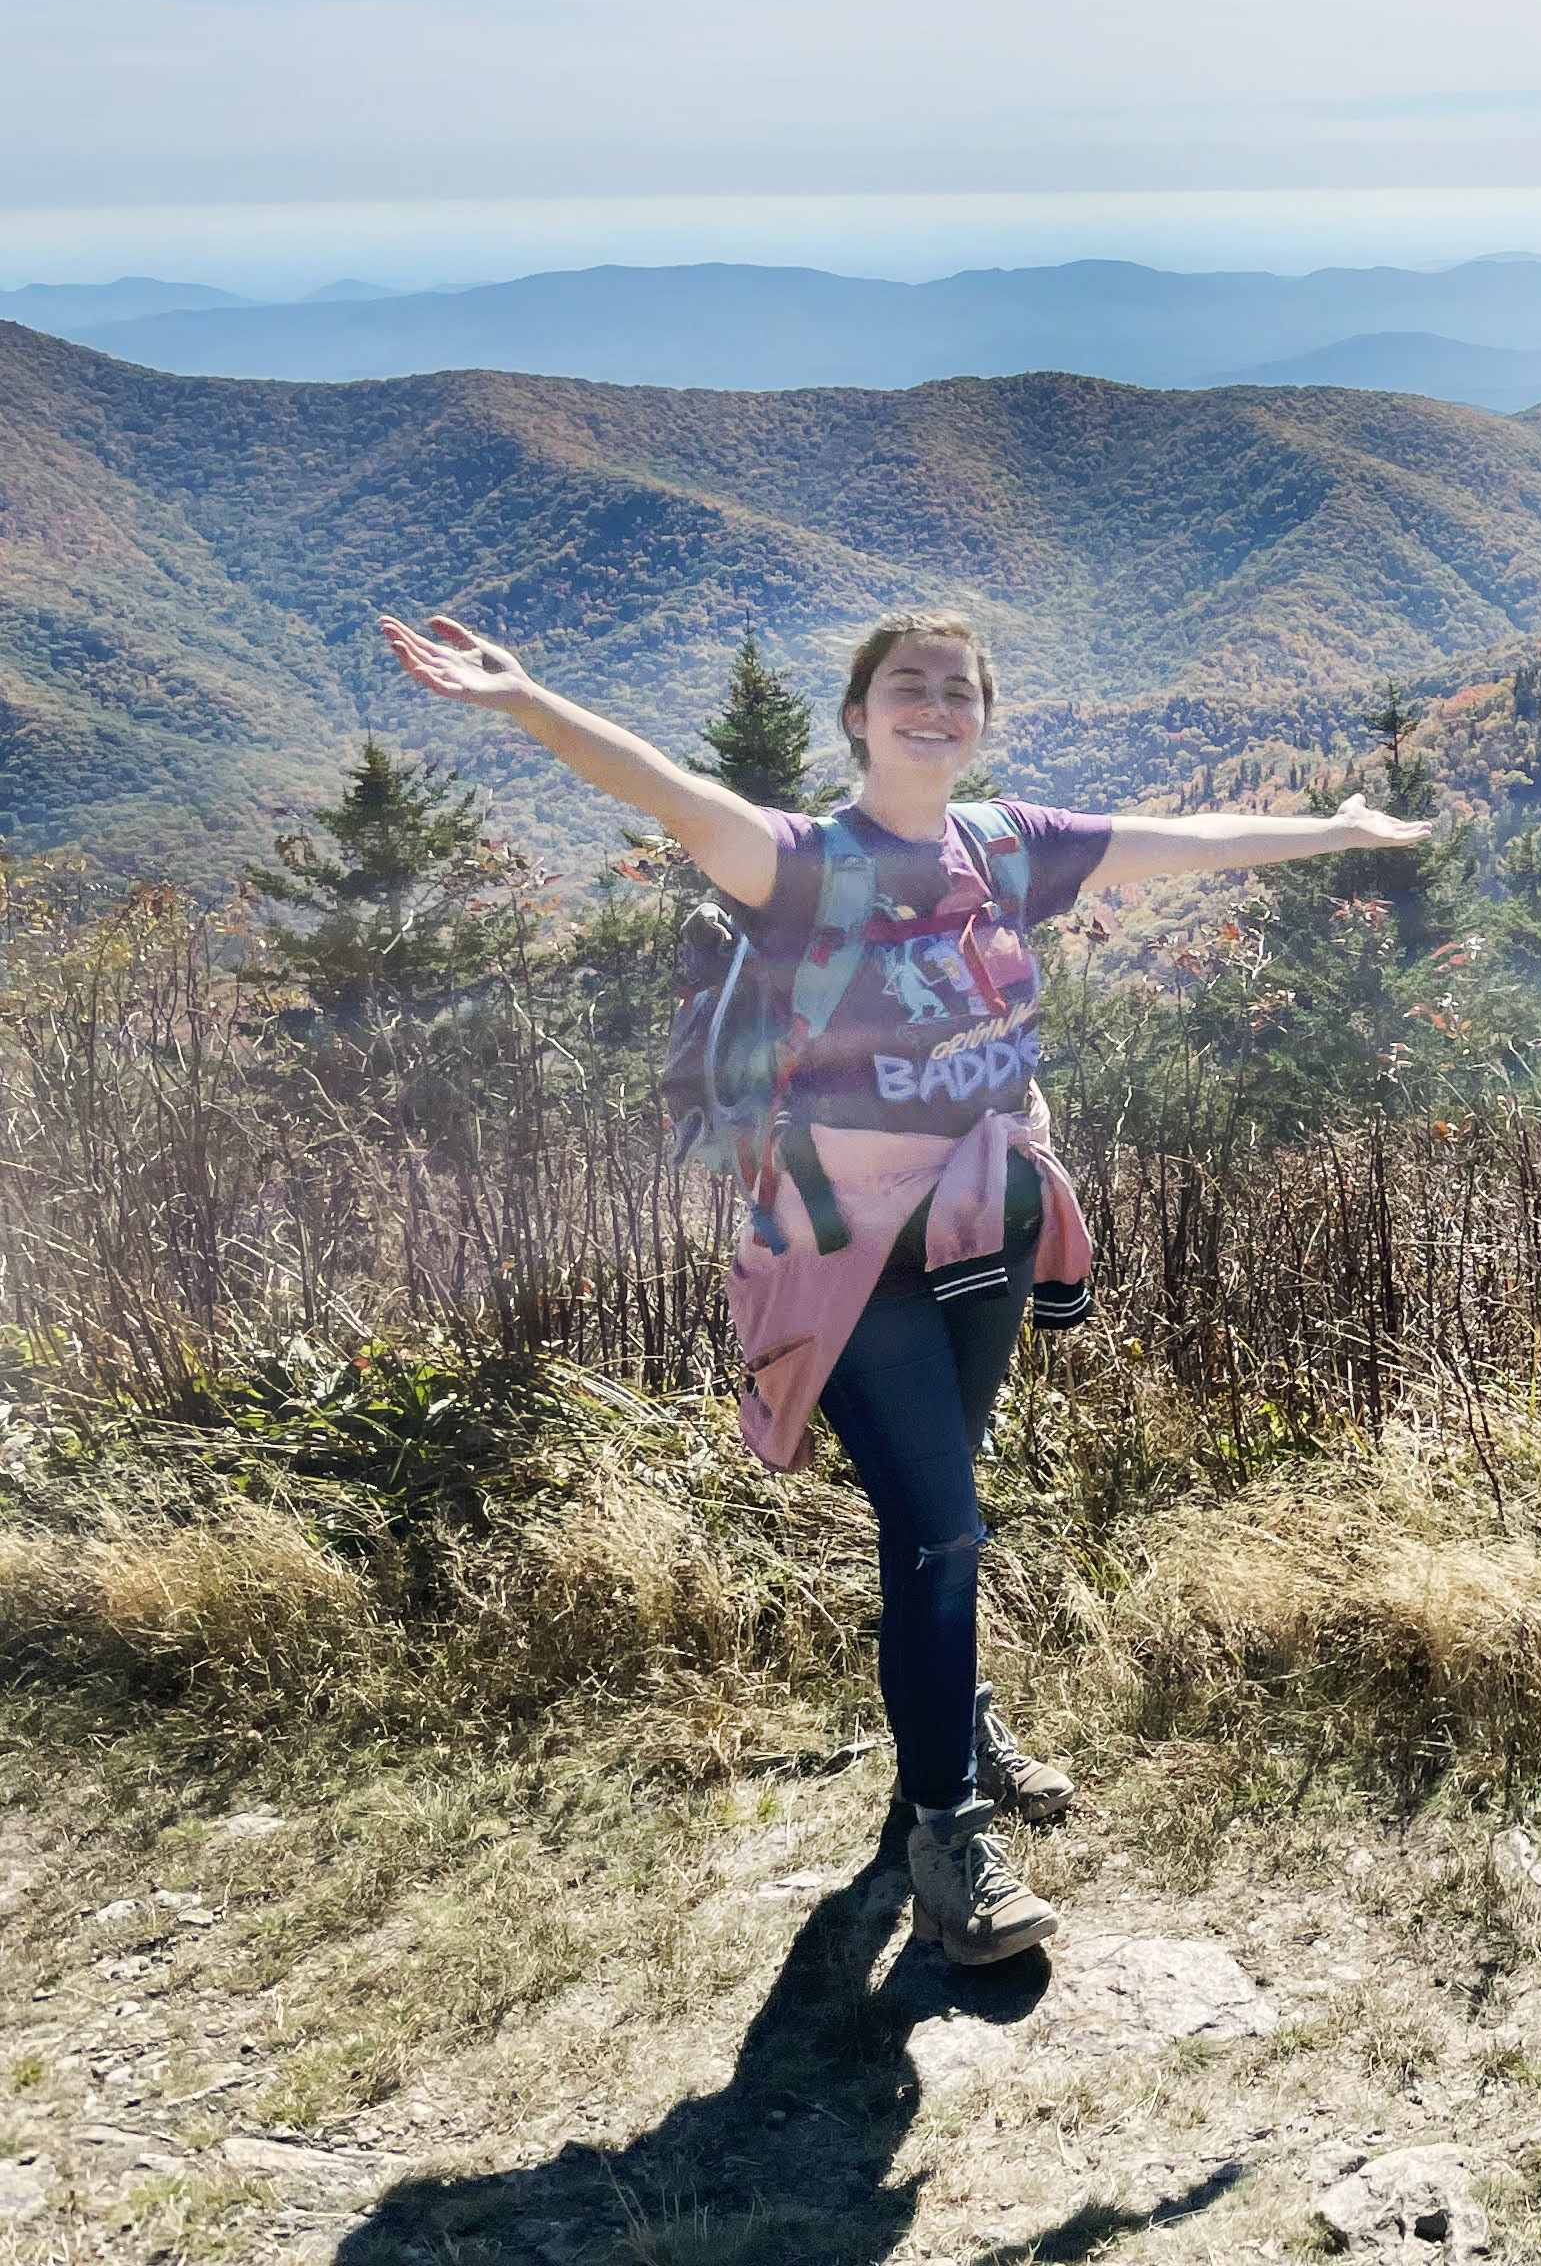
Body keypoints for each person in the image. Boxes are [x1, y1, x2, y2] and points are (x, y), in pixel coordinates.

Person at [379, 605, 1431, 1965]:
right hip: (847, 1251)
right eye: (906, 686)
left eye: (958, 688)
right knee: (941, 1531)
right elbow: (665, 790)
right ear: (860, 715)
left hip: (987, 1224)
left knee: (942, 1517)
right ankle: (948, 1837)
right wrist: (528, 701)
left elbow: (1179, 844)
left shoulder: (1003, 846)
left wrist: (1336, 834)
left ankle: (954, 1720)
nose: (935, 705)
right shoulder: (807, 863)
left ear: (980, 718)